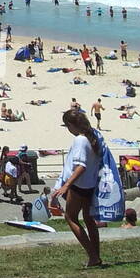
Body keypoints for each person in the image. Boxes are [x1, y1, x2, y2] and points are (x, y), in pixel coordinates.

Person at [52, 108, 104, 268]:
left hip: (79, 185)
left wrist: (66, 185)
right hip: (90, 184)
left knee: (70, 217)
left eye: (68, 126)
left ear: (72, 125)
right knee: (89, 220)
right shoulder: (93, 136)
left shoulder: (80, 140)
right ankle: (95, 257)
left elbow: (80, 166)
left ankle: (93, 256)